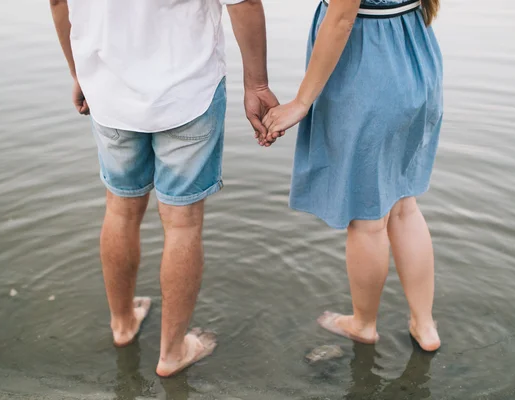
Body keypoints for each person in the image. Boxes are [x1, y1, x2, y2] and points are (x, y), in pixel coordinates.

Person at [49, 0, 280, 376]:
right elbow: (245, 2)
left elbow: (59, 2)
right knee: (183, 223)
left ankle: (123, 325)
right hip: (187, 92)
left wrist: (79, 73)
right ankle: (172, 352)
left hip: (108, 88)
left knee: (121, 208)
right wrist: (257, 84)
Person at [261, 0, 443, 351]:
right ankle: (425, 325)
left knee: (367, 217)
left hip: (368, 69)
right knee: (405, 206)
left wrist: (301, 101)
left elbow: (342, 19)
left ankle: (363, 324)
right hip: (416, 59)